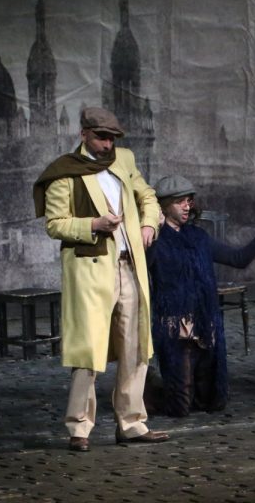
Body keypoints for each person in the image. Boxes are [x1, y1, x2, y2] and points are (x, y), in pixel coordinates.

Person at [33, 107, 169, 452]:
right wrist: (94, 224)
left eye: (112, 138)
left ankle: (132, 423)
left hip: (129, 266)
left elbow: (147, 196)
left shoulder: (124, 159)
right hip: (91, 270)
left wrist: (149, 224)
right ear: (84, 135)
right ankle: (79, 426)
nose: (108, 145)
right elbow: (55, 224)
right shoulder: (65, 172)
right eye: (101, 138)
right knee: (88, 349)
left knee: (135, 345)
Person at [147, 175, 255, 416]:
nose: (186, 206)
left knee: (214, 402)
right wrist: (153, 229)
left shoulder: (198, 237)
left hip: (204, 324)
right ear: (164, 206)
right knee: (179, 407)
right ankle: (147, 389)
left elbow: (238, 259)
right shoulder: (156, 240)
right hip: (176, 327)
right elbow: (143, 268)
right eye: (179, 202)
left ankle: (183, 385)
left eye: (189, 201)